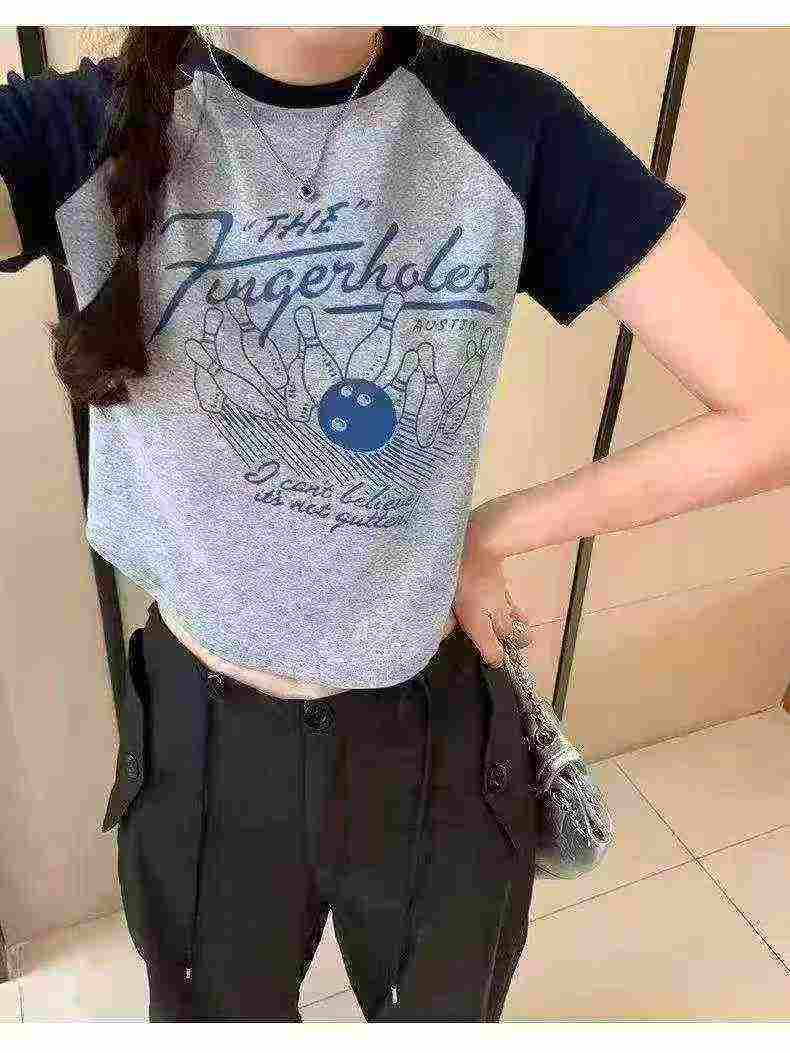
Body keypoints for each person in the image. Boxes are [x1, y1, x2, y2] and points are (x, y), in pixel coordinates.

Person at [1, 25, 788, 1023]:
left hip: (431, 725)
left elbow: (771, 414)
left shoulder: (513, 128)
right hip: (204, 739)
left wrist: (494, 530)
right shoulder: (80, 126)